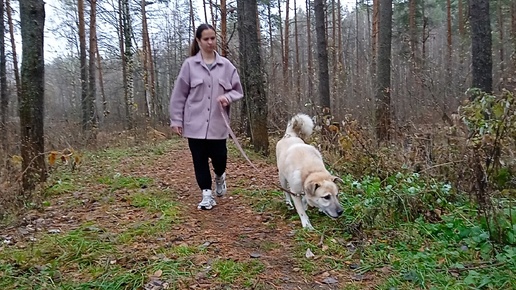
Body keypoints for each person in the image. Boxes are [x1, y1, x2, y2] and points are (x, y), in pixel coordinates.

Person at [169, 24, 244, 210]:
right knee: (199, 158)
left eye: (213, 38)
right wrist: (176, 119)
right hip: (194, 123)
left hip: (218, 125)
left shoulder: (226, 65)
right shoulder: (189, 65)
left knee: (220, 158)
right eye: (206, 39)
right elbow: (179, 95)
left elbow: (237, 91)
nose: (210, 42)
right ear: (198, 41)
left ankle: (220, 177)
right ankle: (206, 194)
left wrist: (227, 97)